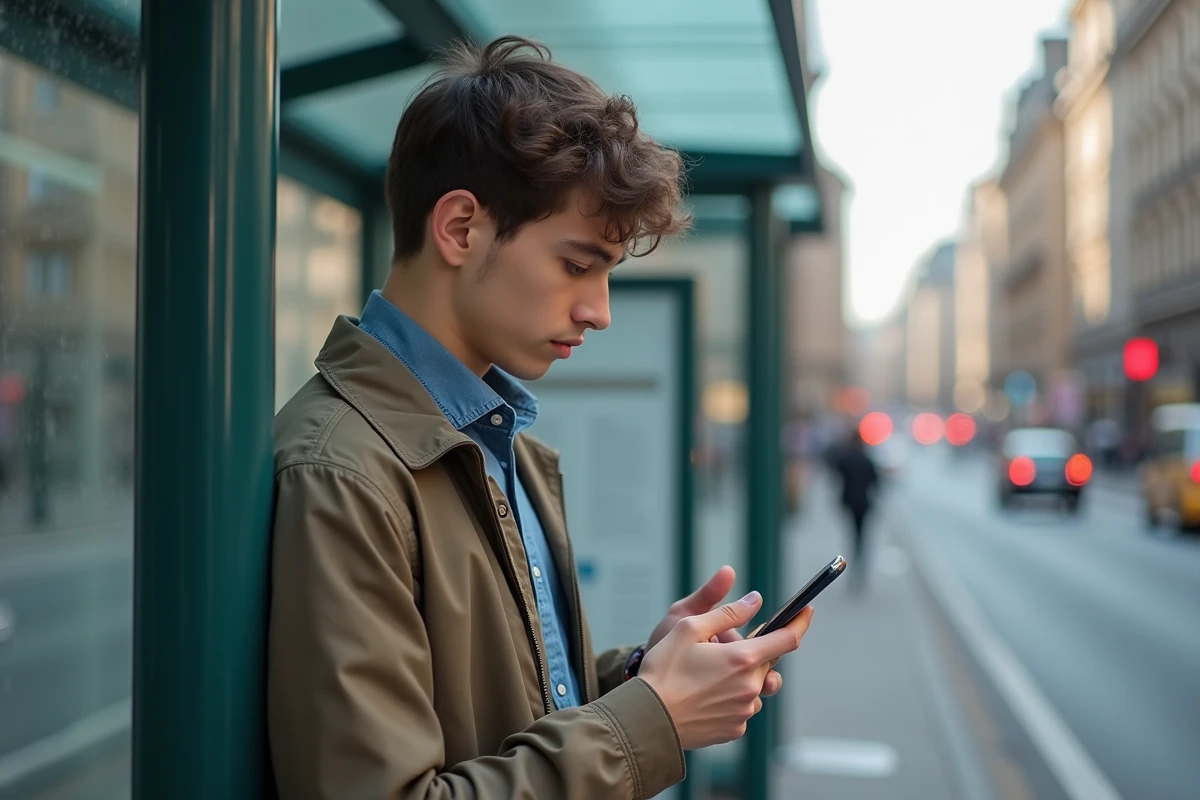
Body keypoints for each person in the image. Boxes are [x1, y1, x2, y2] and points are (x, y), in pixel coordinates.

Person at [267, 36, 815, 800]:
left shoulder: (498, 446)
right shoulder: (343, 469)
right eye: (577, 263)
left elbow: (513, 712)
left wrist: (640, 678)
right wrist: (650, 719)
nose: (599, 311)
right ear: (460, 229)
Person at [832, 429, 880, 591]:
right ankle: (859, 566)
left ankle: (852, 564)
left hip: (849, 503)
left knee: (853, 534)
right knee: (861, 536)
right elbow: (876, 482)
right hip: (864, 504)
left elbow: (837, 474)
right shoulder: (868, 460)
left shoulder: (845, 459)